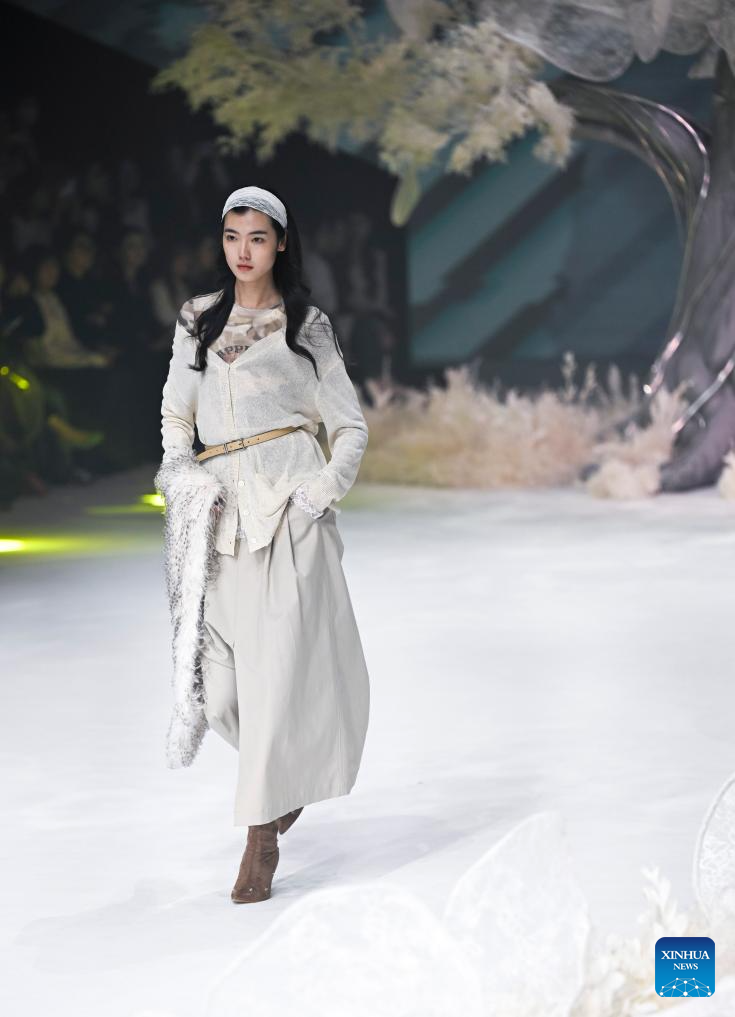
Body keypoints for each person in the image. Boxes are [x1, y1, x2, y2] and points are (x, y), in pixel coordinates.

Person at [156, 185, 371, 905]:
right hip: (219, 515)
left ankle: (260, 837)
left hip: (286, 510)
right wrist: (182, 476)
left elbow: (348, 425)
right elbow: (176, 413)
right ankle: (282, 781)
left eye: (256, 237)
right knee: (218, 689)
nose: (242, 251)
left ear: (280, 242)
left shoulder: (305, 323)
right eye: (231, 237)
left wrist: (319, 492)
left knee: (275, 676)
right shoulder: (197, 319)